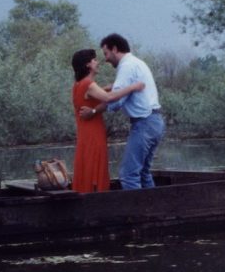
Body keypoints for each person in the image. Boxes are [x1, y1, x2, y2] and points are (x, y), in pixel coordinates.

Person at [79, 34, 164, 190]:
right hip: (155, 122)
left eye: (106, 53)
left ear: (115, 49)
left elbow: (116, 101)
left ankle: (137, 214)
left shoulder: (126, 66)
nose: (105, 59)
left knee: (128, 175)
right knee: (143, 173)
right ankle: (153, 210)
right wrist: (104, 89)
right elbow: (118, 89)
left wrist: (93, 111)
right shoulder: (136, 62)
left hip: (144, 123)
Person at [70, 49, 145, 193]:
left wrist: (108, 87)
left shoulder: (78, 85)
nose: (97, 63)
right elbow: (109, 98)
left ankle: (87, 195)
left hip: (85, 134)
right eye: (94, 60)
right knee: (96, 164)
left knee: (88, 166)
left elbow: (91, 96)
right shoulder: (88, 84)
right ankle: (97, 197)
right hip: (93, 134)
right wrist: (133, 87)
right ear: (88, 65)